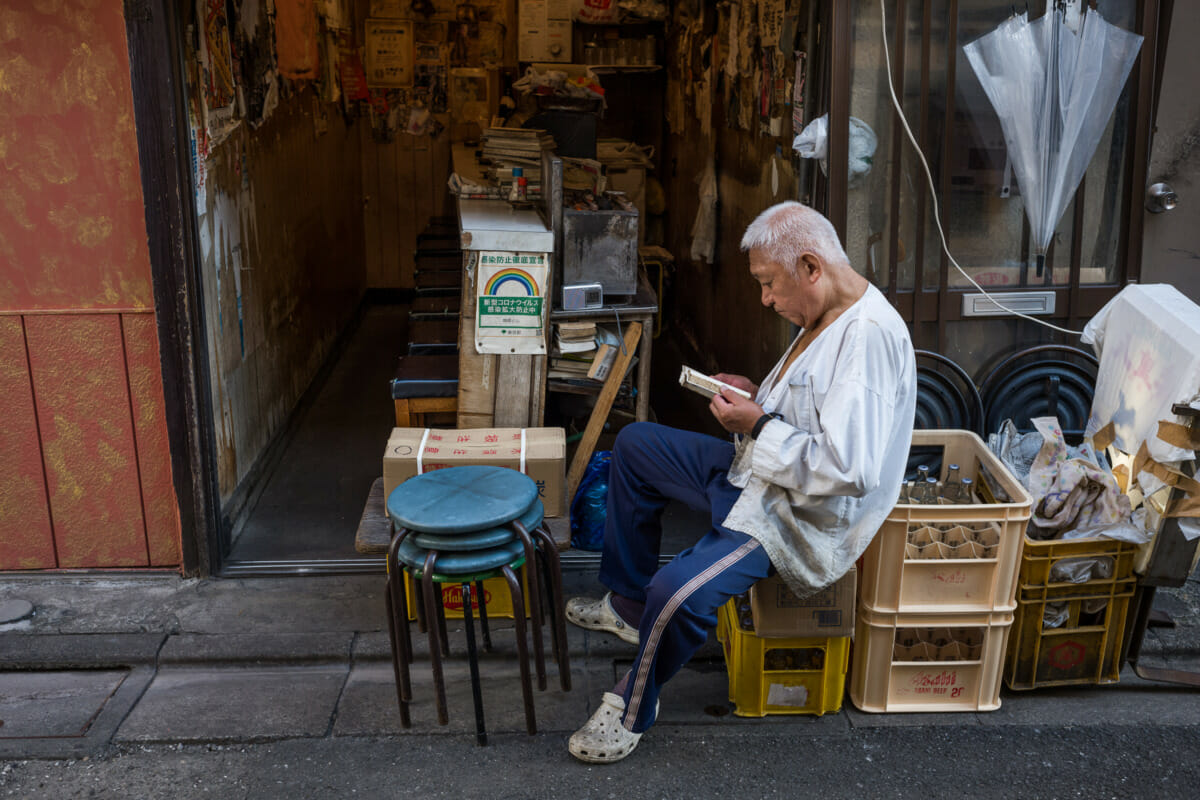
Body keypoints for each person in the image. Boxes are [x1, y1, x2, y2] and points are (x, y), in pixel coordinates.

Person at [564, 201, 917, 763]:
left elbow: (851, 470)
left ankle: (634, 706)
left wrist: (759, 423)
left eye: (769, 283)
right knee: (635, 446)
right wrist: (758, 397)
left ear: (810, 266)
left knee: (677, 594)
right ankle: (629, 609)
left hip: (796, 516)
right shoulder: (825, 310)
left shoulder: (867, 339)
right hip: (757, 469)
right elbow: (810, 411)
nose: (766, 299)